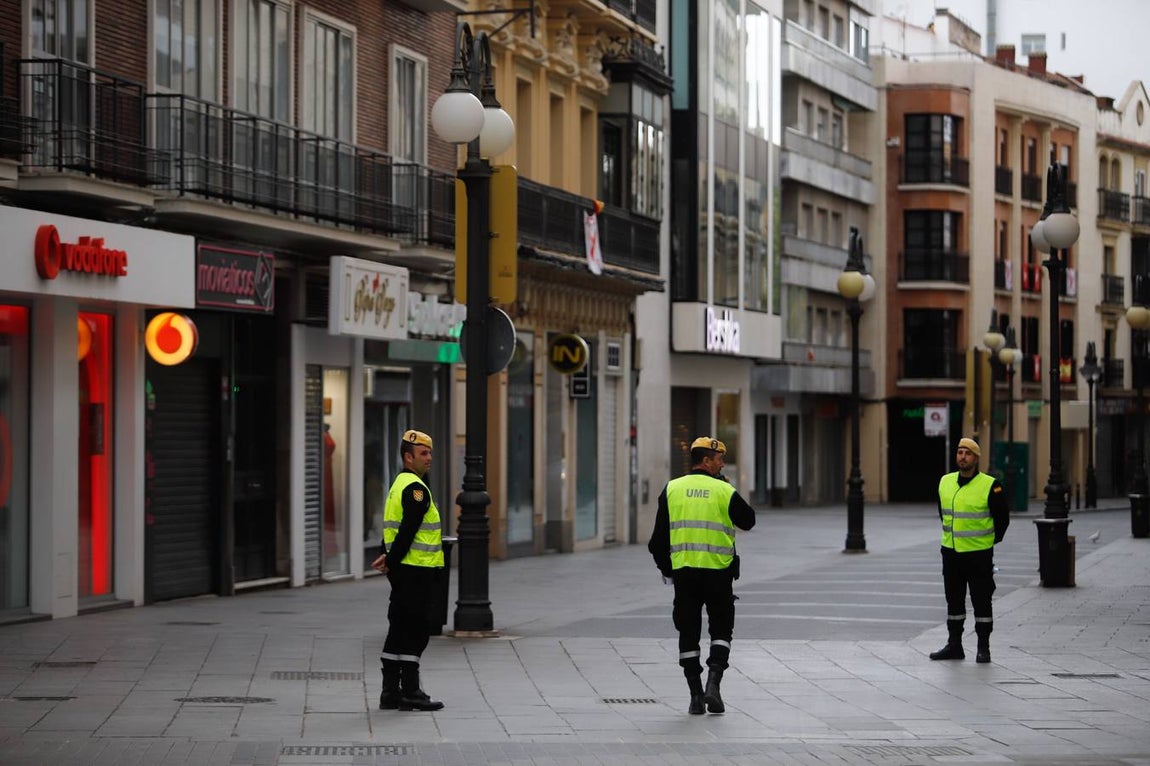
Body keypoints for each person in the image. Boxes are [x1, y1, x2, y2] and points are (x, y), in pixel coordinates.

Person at [648, 437, 756, 714]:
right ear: (706, 461)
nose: (721, 463)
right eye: (718, 458)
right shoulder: (723, 490)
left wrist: (667, 569)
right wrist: (728, 489)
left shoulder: (672, 489)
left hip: (685, 576)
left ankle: (696, 696)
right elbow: (748, 520)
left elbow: (656, 542)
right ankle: (714, 685)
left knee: (688, 632)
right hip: (719, 574)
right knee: (721, 630)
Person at [371, 429, 445, 711]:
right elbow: (408, 530)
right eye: (423, 454)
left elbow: (393, 527)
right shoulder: (415, 489)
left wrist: (385, 554)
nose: (429, 459)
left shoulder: (398, 484)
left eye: (430, 453)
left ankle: (390, 692)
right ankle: (411, 691)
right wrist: (390, 558)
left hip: (405, 571)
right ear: (407, 456)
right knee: (416, 630)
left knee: (399, 627)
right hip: (416, 570)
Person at [930, 436, 1009, 664]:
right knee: (953, 601)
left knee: (981, 601)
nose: (962, 456)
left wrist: (988, 542)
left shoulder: (990, 485)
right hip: (951, 553)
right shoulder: (945, 482)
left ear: (976, 458)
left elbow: (1002, 519)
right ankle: (954, 645)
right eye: (959, 452)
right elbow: (943, 514)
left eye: (968, 453)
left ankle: (983, 647)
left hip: (979, 555)